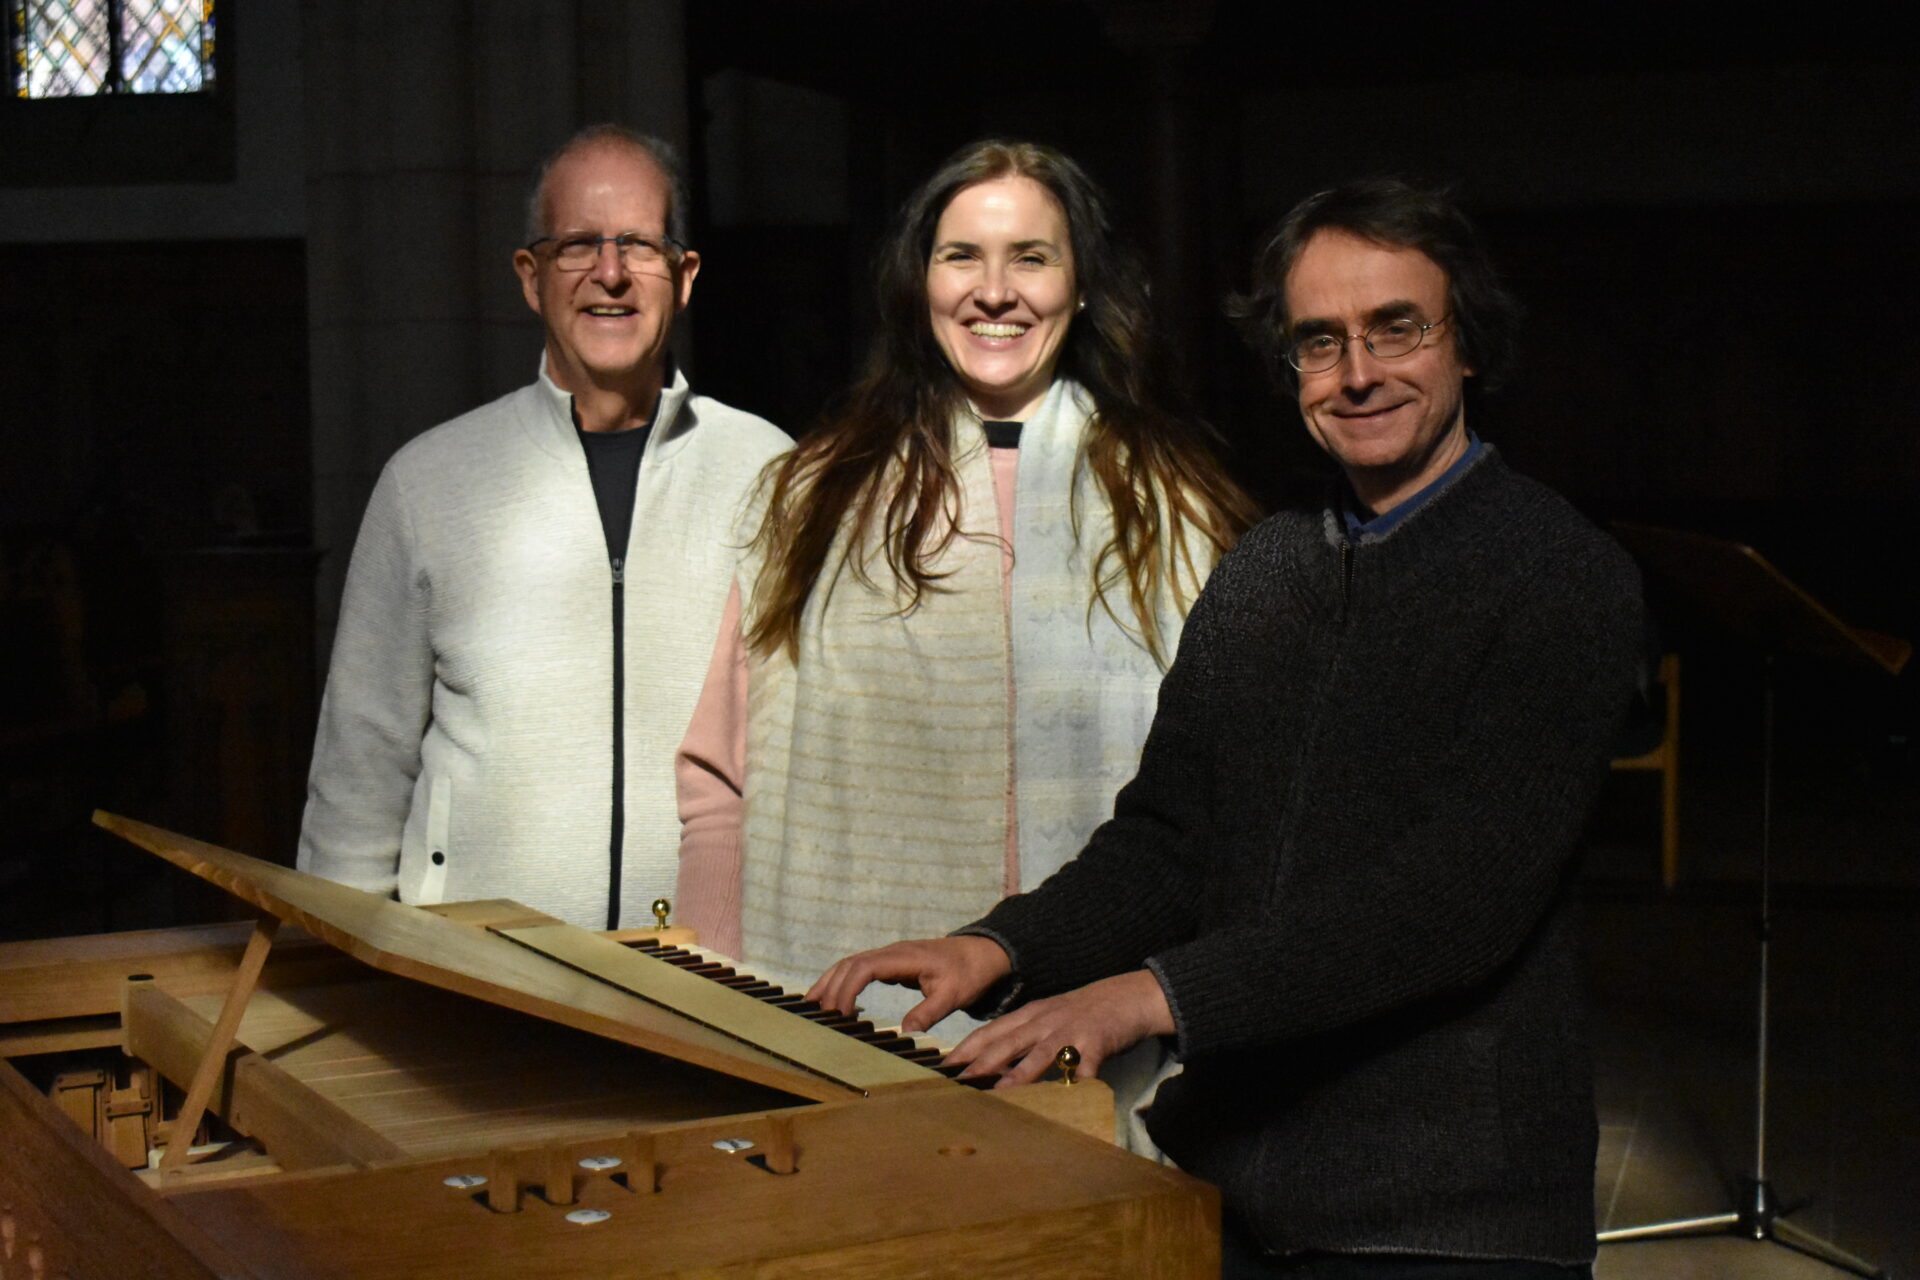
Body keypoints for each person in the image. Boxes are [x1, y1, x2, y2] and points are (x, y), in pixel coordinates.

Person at [811, 178, 1644, 1278]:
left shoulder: (1561, 576)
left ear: (1467, 344)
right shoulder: (1267, 567)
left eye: (1397, 327)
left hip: (1447, 1211)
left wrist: (1147, 995)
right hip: (1239, 1187)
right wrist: (1002, 944)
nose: (1358, 372)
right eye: (1318, 341)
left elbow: (1454, 901)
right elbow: (1169, 839)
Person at [675, 140, 1257, 1041]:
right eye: (962, 257)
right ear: (920, 283)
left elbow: (1234, 793)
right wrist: (716, 999)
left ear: (1083, 284)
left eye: (1032, 256)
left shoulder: (1174, 507)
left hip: (1094, 1019)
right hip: (845, 1009)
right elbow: (720, 781)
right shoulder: (811, 497)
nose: (995, 291)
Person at [299, 124, 791, 930]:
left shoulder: (771, 475)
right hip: (476, 983)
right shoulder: (426, 482)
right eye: (578, 246)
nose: (609, 273)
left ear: (684, 274)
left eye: (638, 244)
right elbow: (360, 772)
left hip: (711, 978)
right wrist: (336, 969)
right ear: (531, 278)